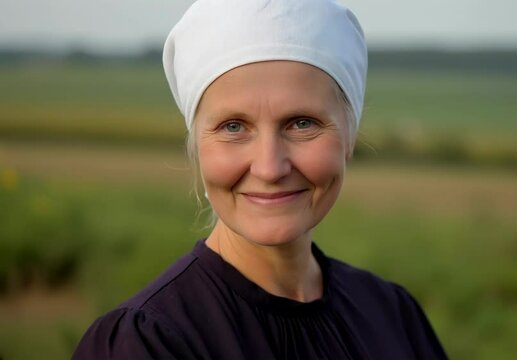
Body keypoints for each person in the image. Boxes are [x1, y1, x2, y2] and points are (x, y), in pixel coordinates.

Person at [73, 0, 448, 358]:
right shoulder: (148, 343)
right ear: (197, 147)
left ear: (349, 136)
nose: (270, 168)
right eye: (233, 126)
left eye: (302, 124)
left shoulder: (391, 316)